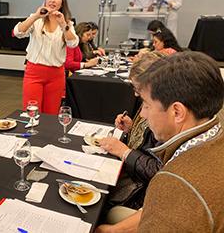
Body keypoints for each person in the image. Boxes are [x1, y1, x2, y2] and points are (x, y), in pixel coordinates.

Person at [96, 51, 224, 232]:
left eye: (147, 105)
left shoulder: (174, 182)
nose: (143, 114)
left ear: (177, 112)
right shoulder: (214, 139)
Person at [99, 52, 165, 212]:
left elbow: (160, 171)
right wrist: (131, 128)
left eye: (137, 88)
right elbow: (146, 142)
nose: (135, 93)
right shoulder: (149, 101)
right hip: (132, 176)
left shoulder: (164, 112)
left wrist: (125, 152)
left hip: (140, 191)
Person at [13, 0, 79, 114]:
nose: (52, 0)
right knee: (32, 113)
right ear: (45, 0)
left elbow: (73, 43)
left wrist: (63, 24)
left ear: (62, 3)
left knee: (51, 114)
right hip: (34, 73)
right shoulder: (36, 19)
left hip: (56, 75)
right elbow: (18, 32)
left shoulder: (67, 23)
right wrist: (36, 16)